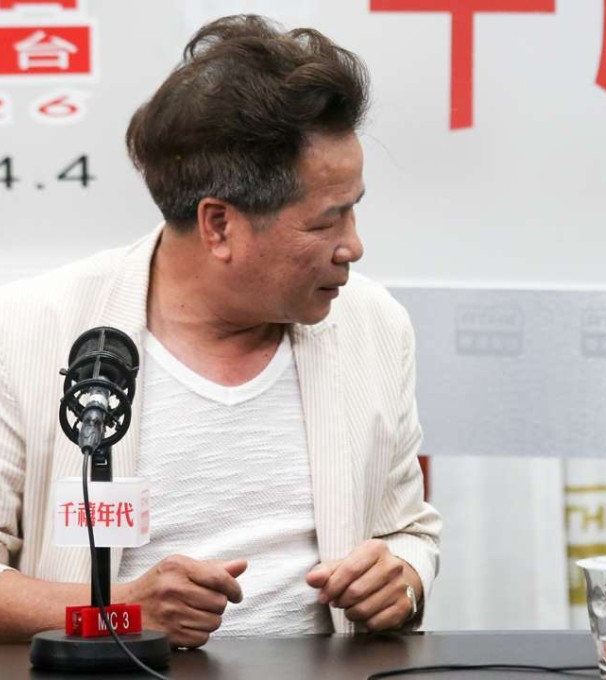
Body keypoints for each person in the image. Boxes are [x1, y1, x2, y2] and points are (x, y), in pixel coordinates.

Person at [0, 15, 440, 648]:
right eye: (325, 223)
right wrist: (120, 610)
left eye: (355, 210)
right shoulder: (33, 332)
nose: (354, 247)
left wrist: (400, 579)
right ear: (219, 226)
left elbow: (410, 534)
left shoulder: (372, 325)